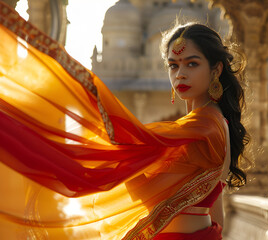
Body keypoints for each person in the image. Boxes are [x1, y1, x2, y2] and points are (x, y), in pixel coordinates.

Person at [0, 2, 250, 239]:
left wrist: (118, 154)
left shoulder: (204, 127)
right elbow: (218, 216)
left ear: (216, 69)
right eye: (173, 66)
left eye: (191, 64)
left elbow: (149, 196)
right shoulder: (214, 122)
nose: (180, 74)